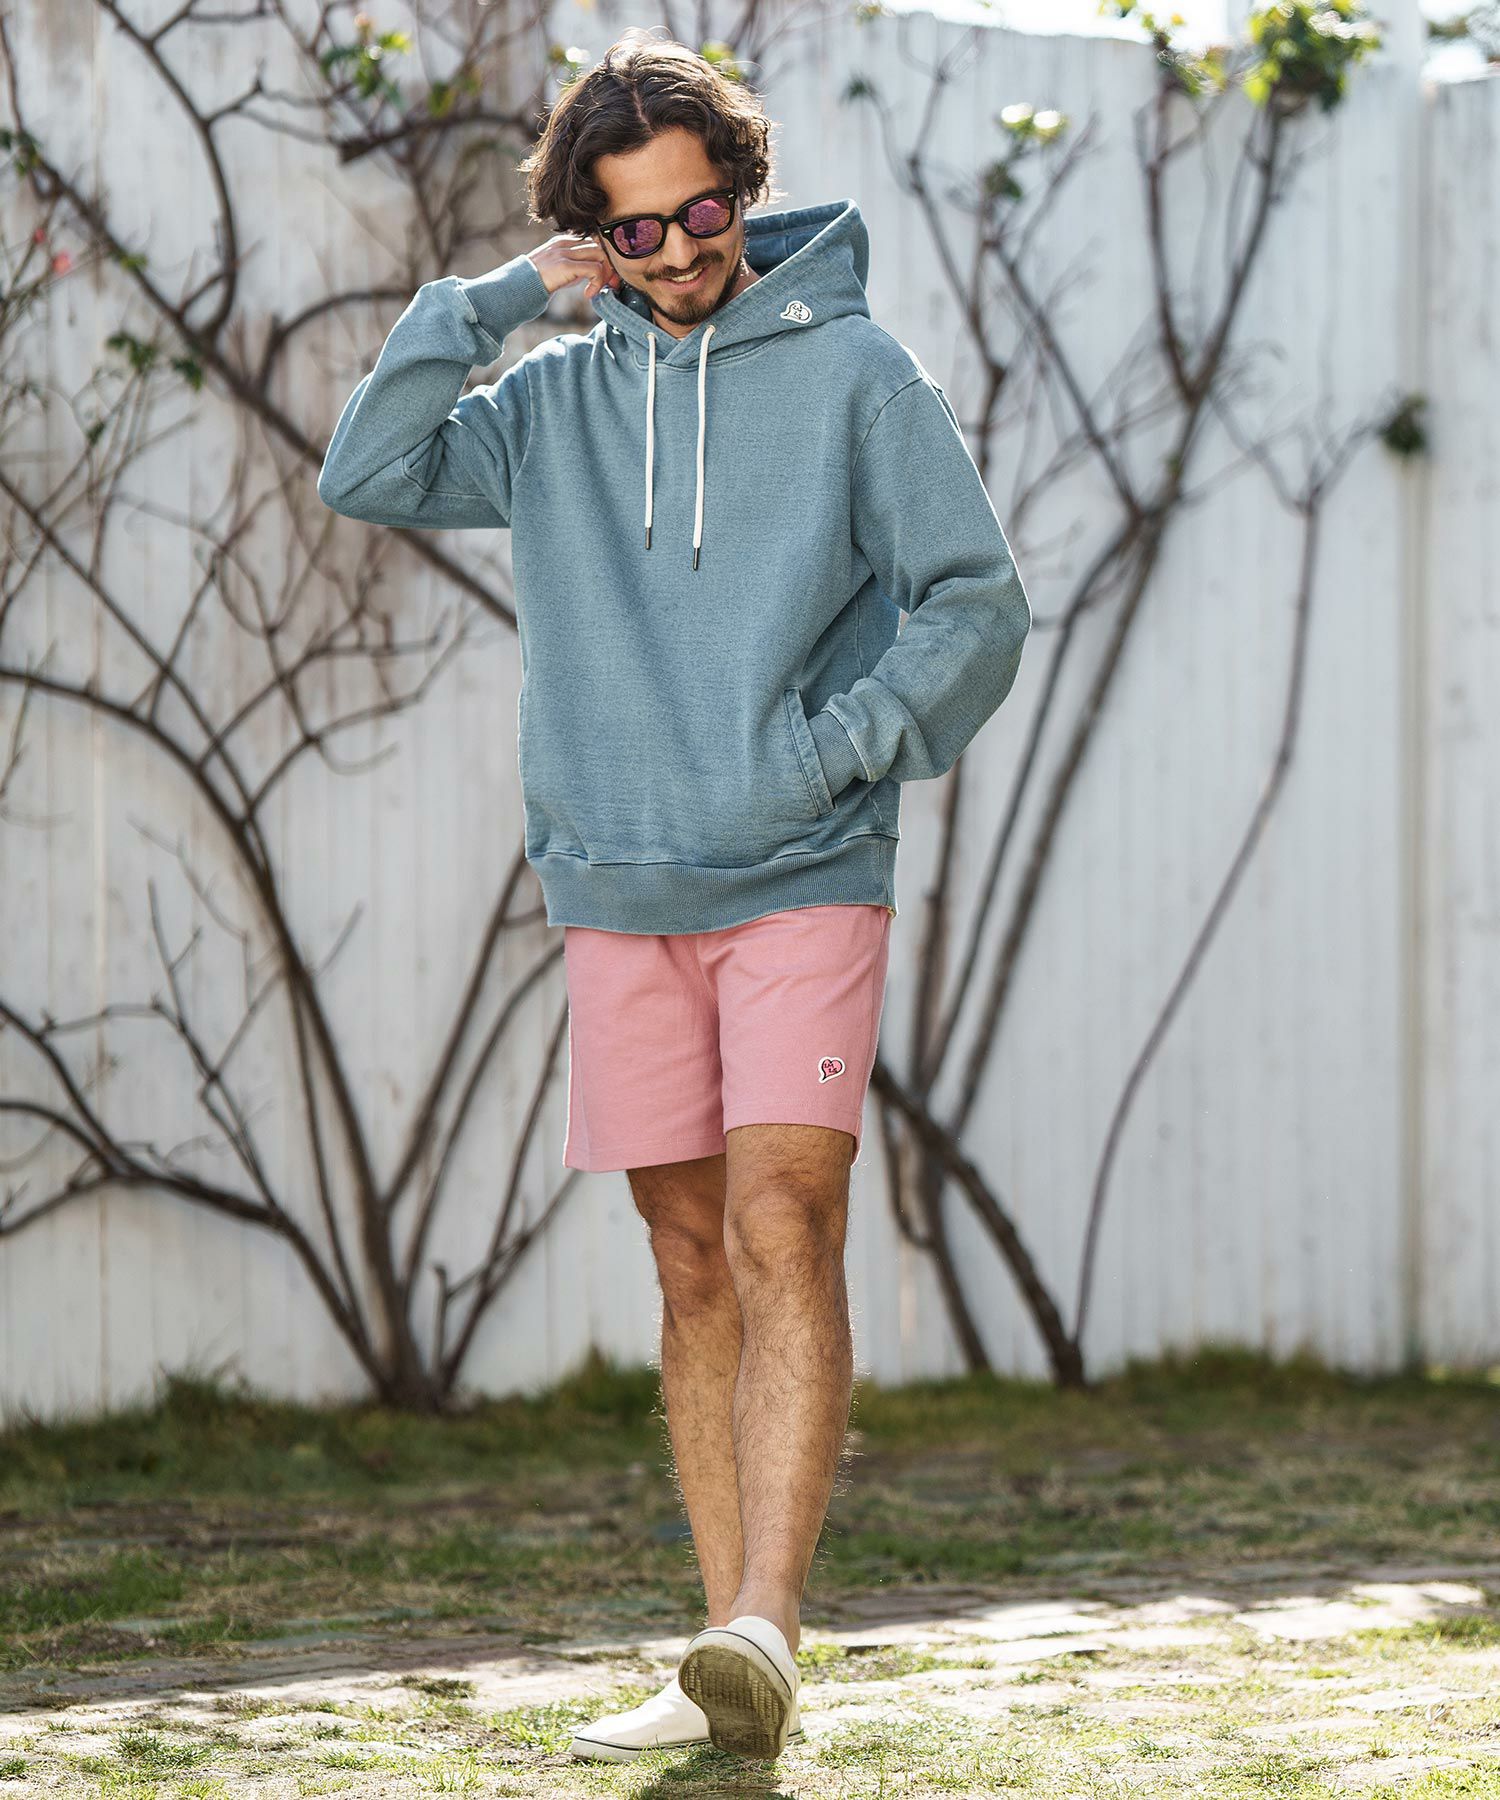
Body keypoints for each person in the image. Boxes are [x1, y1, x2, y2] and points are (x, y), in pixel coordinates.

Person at [317, 27, 1031, 1764]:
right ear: (596, 234)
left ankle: (764, 1622)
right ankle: (726, 1657)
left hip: (803, 869)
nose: (680, 249)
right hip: (618, 884)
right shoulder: (554, 404)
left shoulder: (859, 373)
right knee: (690, 1252)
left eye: (702, 211)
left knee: (786, 1221)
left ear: (742, 194)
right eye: (634, 228)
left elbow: (976, 602)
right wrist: (500, 302)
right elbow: (369, 471)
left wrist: (834, 754)